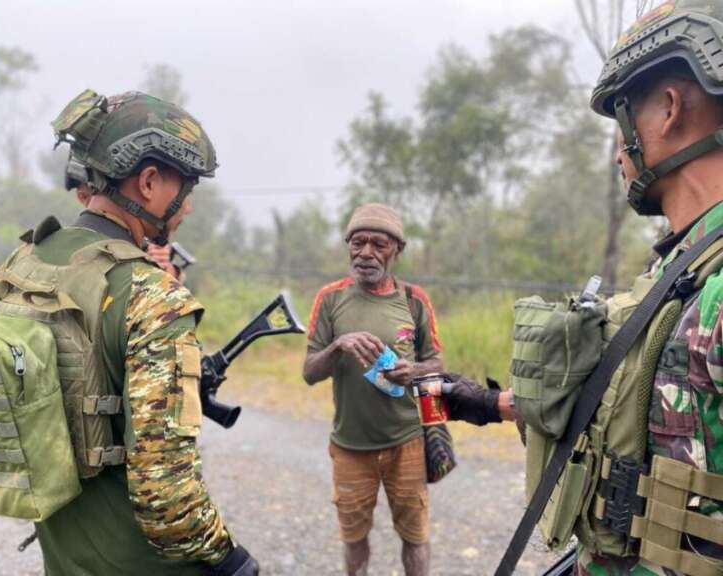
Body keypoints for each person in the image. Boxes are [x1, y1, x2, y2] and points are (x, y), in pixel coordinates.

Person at [447, 2, 723, 574]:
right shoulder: (683, 268)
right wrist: (490, 403)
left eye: (621, 121)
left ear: (669, 110)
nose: (619, 152)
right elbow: (652, 419)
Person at [26, 90, 256, 575]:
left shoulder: (27, 266)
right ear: (149, 182)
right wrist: (229, 557)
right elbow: (166, 498)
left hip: (64, 554)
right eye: (186, 190)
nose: (188, 208)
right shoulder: (153, 296)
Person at [302, 203, 444, 576]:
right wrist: (338, 345)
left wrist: (412, 371)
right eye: (357, 242)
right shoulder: (330, 298)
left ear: (397, 249)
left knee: (415, 536)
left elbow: (437, 365)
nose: (365, 253)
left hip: (407, 442)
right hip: (351, 445)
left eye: (378, 244)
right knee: (354, 537)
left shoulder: (414, 300)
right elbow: (309, 372)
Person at [65, 151, 185, 282]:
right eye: (95, 187)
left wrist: (164, 271)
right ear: (82, 197)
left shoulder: (139, 240)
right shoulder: (78, 249)